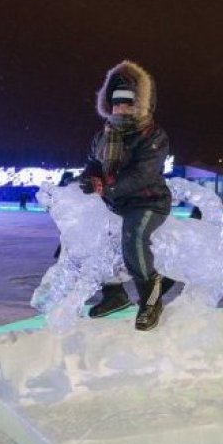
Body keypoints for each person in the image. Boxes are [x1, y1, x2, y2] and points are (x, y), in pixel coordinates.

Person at [79, 60, 173, 331]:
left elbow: (144, 173)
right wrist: (89, 177)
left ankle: (150, 297)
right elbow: (93, 162)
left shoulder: (153, 135)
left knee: (133, 237)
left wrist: (106, 187)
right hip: (113, 201)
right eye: (117, 103)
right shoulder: (103, 135)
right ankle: (114, 294)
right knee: (85, 238)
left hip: (148, 201)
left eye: (128, 103)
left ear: (140, 104)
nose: (121, 108)